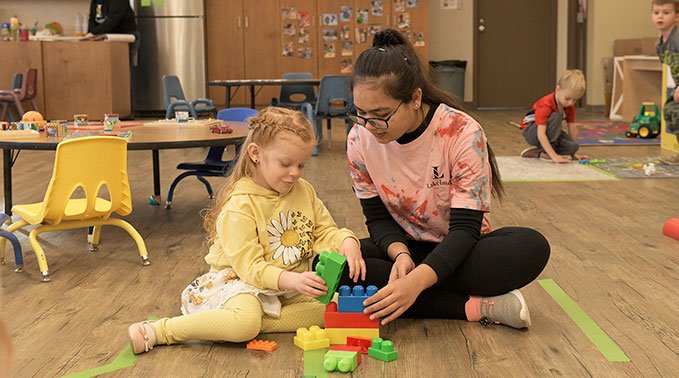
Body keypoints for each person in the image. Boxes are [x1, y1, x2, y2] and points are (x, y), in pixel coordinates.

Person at [341, 29, 550, 329]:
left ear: (414, 99)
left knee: (530, 246)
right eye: (360, 114)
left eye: (381, 115)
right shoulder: (359, 139)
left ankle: (417, 292)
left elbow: (465, 230)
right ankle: (478, 306)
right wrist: (400, 256)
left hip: (461, 250)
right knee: (336, 270)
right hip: (406, 248)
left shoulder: (461, 132)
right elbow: (376, 220)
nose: (370, 126)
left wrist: (414, 282)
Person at [127, 107, 365, 354]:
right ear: (255, 154)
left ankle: (247, 320)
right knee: (244, 324)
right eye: (286, 164)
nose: (295, 173)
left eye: (301, 165)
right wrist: (292, 279)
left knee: (334, 308)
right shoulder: (239, 205)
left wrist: (346, 241)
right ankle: (161, 330)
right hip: (240, 282)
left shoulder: (303, 190)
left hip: (285, 287)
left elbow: (323, 230)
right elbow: (250, 268)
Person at [519, 69, 587, 164]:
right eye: (567, 98)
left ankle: (538, 152)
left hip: (549, 133)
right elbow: (541, 133)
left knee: (573, 146)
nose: (570, 103)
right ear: (558, 89)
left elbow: (572, 128)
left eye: (574, 100)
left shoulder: (569, 106)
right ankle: (547, 151)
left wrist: (573, 154)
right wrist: (554, 156)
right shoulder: (546, 105)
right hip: (532, 131)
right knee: (556, 116)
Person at [653, 0, 679, 165]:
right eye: (656, 12)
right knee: (670, 110)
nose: (660, 16)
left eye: (666, 12)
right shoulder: (660, 45)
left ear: (676, 17)